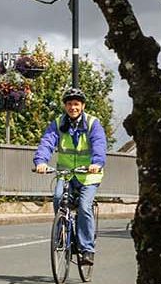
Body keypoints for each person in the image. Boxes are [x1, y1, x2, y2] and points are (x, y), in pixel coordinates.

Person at [32, 86, 107, 266]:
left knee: (84, 206)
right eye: (69, 104)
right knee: (58, 198)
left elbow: (99, 144)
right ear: (65, 106)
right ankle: (64, 236)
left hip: (88, 175)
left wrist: (96, 163)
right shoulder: (58, 123)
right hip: (66, 174)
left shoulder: (92, 123)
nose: (72, 107)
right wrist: (40, 162)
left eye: (76, 104)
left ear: (82, 106)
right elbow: (47, 143)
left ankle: (87, 249)